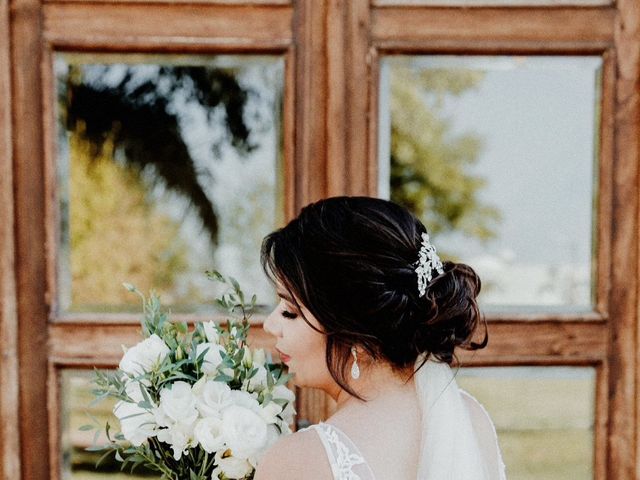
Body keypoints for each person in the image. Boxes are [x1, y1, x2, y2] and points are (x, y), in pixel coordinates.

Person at [254, 196, 506, 480]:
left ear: (353, 330)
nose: (270, 324)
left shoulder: (300, 461)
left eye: (290, 311)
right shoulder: (470, 420)